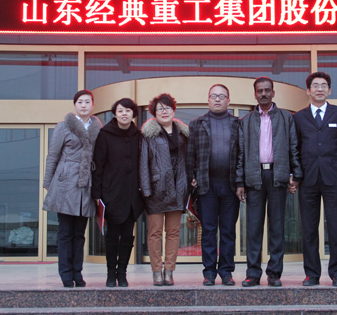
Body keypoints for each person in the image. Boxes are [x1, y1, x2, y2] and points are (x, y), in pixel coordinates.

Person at [236, 77, 302, 287]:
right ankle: (253, 273)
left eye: (267, 90)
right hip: (254, 177)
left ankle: (274, 273)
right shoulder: (245, 121)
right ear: (255, 94)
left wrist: (295, 175)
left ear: (273, 93)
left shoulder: (286, 117)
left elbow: (293, 147)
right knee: (253, 229)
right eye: (260, 91)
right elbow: (240, 154)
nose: (263, 94)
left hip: (277, 176)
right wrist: (240, 181)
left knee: (277, 228)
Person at [294, 72, 337, 287]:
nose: (320, 89)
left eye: (324, 85)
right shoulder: (298, 117)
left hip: (333, 177)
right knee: (309, 229)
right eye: (315, 85)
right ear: (308, 90)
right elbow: (295, 149)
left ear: (330, 90)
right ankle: (312, 274)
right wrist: (295, 175)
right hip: (307, 179)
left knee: (336, 227)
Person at [43, 89, 102, 288]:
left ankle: (78, 272)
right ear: (75, 105)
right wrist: (48, 182)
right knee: (65, 232)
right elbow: (53, 155)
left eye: (87, 102)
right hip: (65, 181)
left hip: (86, 183)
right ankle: (66, 273)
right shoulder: (63, 126)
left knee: (79, 233)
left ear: (93, 105)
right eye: (80, 102)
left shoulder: (97, 128)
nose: (84, 105)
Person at [187, 84, 241, 286]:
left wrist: (241, 182)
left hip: (230, 185)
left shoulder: (237, 124)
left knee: (228, 231)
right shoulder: (197, 124)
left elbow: (242, 154)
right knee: (208, 231)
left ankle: (226, 271)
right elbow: (190, 155)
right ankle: (209, 272)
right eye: (214, 96)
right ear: (208, 100)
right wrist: (192, 177)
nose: (217, 99)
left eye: (222, 96)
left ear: (229, 100)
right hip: (206, 185)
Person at [92, 98, 144, 287]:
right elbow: (98, 166)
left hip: (132, 194)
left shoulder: (139, 135)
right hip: (111, 192)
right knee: (112, 235)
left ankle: (122, 272)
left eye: (128, 111)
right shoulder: (105, 134)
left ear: (133, 114)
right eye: (120, 110)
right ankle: (110, 273)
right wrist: (97, 193)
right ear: (114, 113)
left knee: (128, 235)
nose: (124, 114)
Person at [140, 93, 189, 286]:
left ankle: (169, 271)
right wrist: (146, 189)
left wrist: (189, 182)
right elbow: (143, 163)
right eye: (160, 108)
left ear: (173, 110)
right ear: (154, 112)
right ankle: (156, 271)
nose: (164, 111)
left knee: (174, 232)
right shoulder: (148, 134)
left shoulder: (183, 134)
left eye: (167, 107)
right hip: (156, 189)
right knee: (155, 233)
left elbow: (189, 160)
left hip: (178, 188)